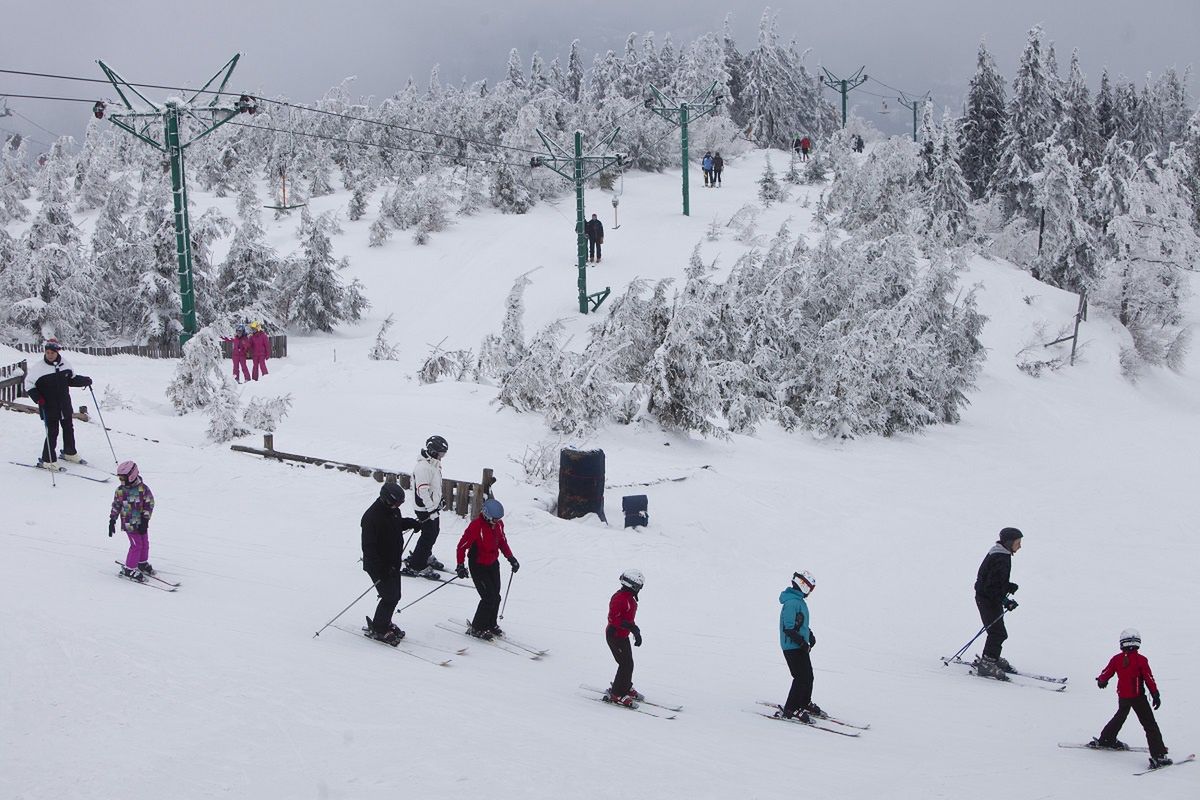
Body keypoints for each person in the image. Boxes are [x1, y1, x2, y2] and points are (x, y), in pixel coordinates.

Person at [1092, 629, 1172, 769]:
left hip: (1123, 696)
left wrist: (1102, 680)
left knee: (1120, 715)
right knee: (1149, 724)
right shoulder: (1141, 660)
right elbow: (1148, 678)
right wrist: (1155, 693)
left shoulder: (1117, 658)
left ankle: (1107, 739)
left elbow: (1107, 671)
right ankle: (1158, 755)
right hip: (1137, 697)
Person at [360, 482, 420, 645]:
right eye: (396, 503)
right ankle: (379, 628)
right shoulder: (371, 517)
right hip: (378, 566)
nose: (397, 506)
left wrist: (411, 523)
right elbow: (369, 548)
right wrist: (382, 568)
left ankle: (385, 622)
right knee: (389, 596)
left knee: (395, 595)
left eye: (400, 503)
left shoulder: (392, 511)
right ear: (386, 499)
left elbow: (396, 524)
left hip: (392, 563)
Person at [454, 498, 518, 640]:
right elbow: (462, 546)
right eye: (494, 519)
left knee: (496, 596)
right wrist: (460, 565)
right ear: (487, 515)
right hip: (478, 565)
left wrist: (511, 558)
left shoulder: (499, 525)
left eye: (498, 519)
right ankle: (477, 627)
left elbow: (502, 542)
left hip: (493, 563)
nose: (497, 522)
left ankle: (490, 623)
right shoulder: (476, 526)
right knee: (488, 597)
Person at [24, 338, 92, 471]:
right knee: (52, 432)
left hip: (64, 404)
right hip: (48, 406)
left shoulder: (65, 364)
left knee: (68, 428)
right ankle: (47, 460)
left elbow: (71, 379)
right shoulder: (38, 368)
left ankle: (69, 452)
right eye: (47, 352)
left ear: (57, 352)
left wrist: (85, 381)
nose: (50, 355)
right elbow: (29, 385)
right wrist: (38, 398)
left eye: (52, 352)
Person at [973, 527, 1023, 679]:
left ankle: (991, 658)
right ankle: (987, 663)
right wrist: (1006, 601)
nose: (1019, 546)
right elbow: (991, 587)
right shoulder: (1001, 558)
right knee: (998, 633)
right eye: (1017, 542)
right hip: (987, 599)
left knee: (997, 632)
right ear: (1009, 542)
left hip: (988, 598)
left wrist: (1008, 586)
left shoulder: (1001, 554)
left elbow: (994, 581)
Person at [775, 570, 823, 720]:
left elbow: (800, 623)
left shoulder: (799, 602)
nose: (810, 592)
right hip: (792, 647)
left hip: (799, 646)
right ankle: (791, 708)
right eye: (810, 588)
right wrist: (801, 642)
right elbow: (788, 627)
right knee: (800, 677)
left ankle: (804, 702)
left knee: (808, 676)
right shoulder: (791, 603)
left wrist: (809, 635)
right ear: (803, 585)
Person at [403, 435, 449, 579]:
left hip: (431, 507)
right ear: (433, 451)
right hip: (424, 508)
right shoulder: (423, 467)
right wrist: (431, 509)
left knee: (434, 532)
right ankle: (417, 564)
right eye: (441, 453)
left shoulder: (433, 464)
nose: (442, 456)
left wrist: (438, 501)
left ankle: (425, 555)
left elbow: (434, 487)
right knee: (428, 536)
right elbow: (422, 491)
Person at [109, 461, 155, 582]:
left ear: (132, 475)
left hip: (141, 523)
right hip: (129, 524)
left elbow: (149, 503)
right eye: (119, 478)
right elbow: (116, 505)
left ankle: (141, 563)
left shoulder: (143, 489)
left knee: (145, 543)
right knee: (136, 545)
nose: (121, 481)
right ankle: (129, 568)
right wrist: (112, 519)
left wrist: (145, 519)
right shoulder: (120, 490)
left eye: (123, 478)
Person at [604, 569, 645, 706]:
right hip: (614, 636)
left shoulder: (630, 600)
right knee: (624, 664)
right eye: (639, 586)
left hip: (623, 636)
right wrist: (630, 627)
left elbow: (628, 619)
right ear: (632, 585)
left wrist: (635, 631)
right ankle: (617, 693)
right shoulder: (619, 598)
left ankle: (625, 686)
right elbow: (613, 619)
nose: (640, 589)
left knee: (629, 664)